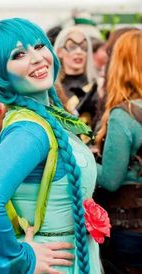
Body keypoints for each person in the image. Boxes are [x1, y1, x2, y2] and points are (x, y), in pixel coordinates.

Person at [0, 18, 107, 274]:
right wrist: (23, 258)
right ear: (0, 74)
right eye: (19, 54)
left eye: (38, 46)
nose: (36, 58)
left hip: (70, 256)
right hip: (57, 263)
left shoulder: (43, 118)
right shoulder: (29, 131)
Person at [95, 30, 142, 274]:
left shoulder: (124, 116)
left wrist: (82, 158)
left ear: (121, 64)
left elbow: (111, 180)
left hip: (130, 228)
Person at [53, 26, 98, 131]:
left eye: (83, 47)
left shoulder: (98, 86)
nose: (79, 51)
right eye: (72, 47)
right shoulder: (52, 89)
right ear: (60, 52)